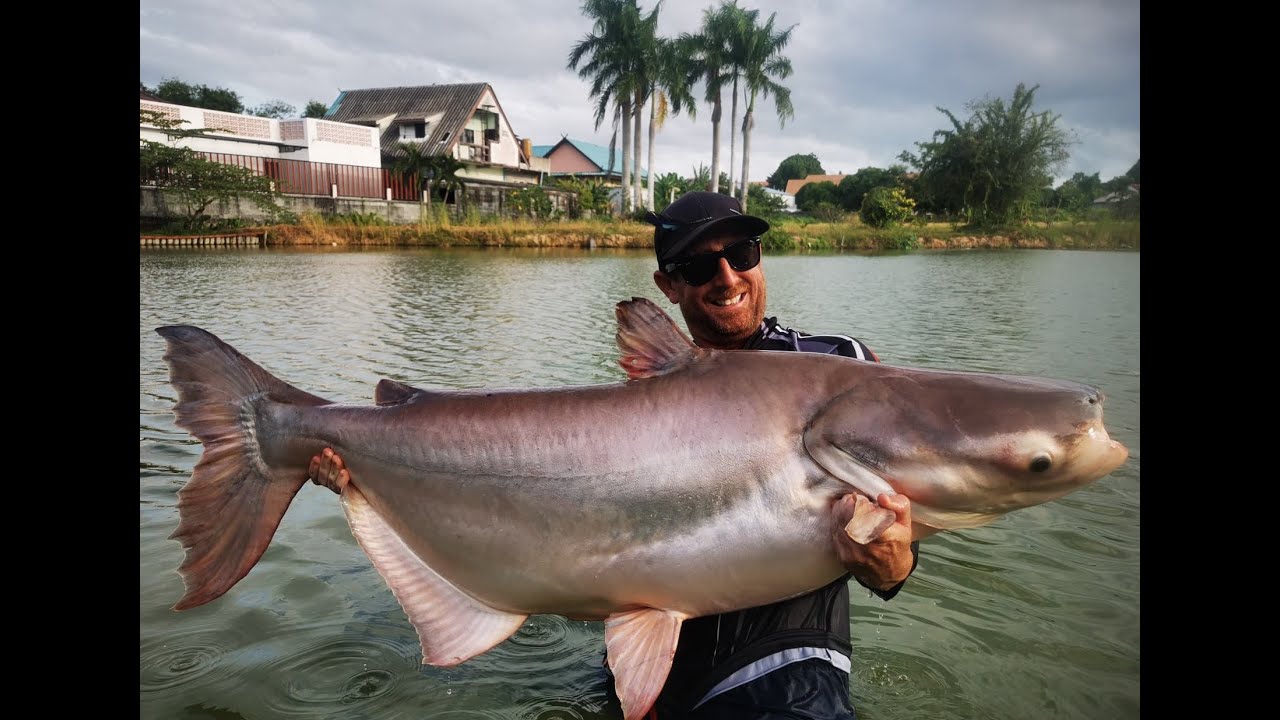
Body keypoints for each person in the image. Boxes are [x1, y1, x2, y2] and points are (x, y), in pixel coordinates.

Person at [306, 190, 918, 719]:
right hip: (649, 658)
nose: (727, 277)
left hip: (788, 664)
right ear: (668, 286)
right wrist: (367, 478)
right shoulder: (645, 407)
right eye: (698, 265)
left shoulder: (839, 367)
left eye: (741, 253)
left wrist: (892, 566)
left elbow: (904, 523)